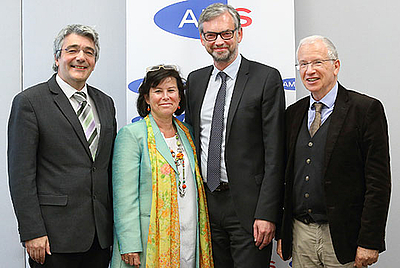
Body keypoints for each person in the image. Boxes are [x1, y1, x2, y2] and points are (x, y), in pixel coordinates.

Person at [277, 35, 391, 268]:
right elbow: (284, 179)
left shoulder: (365, 110)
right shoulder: (293, 114)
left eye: (317, 62)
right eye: (303, 64)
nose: (309, 71)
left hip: (342, 238)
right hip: (301, 236)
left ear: (336, 66)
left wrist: (370, 240)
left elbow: (378, 183)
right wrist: (283, 233)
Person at [7, 24, 116, 267]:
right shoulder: (30, 102)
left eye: (89, 52)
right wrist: (32, 231)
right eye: (73, 50)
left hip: (99, 237)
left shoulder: (105, 103)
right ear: (57, 58)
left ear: (95, 60)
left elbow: (104, 168)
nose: (81, 57)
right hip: (52, 238)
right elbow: (20, 175)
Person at [185, 3, 285, 267]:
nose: (219, 41)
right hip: (205, 205)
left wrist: (267, 213)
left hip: (249, 210)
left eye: (226, 34)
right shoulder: (195, 82)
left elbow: (275, 152)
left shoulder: (266, 78)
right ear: (202, 39)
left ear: (239, 34)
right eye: (211, 35)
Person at [111, 65, 213, 268]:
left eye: (171, 90)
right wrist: (129, 243)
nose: (165, 96)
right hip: (148, 239)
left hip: (189, 235)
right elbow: (125, 197)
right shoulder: (132, 135)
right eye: (158, 91)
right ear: (147, 98)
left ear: (179, 97)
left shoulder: (188, 133)